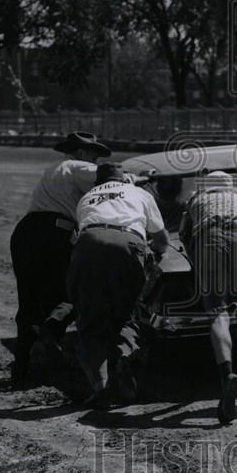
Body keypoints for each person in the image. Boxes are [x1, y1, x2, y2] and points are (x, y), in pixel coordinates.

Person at [8, 131, 110, 385]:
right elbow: (110, 179)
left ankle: (21, 370)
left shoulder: (52, 169)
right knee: (72, 291)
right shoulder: (78, 166)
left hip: (25, 231)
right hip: (56, 232)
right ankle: (52, 331)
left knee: (28, 299)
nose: (95, 160)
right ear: (81, 152)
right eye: (93, 154)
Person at [67, 162, 169, 407]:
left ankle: (100, 385)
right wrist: (151, 256)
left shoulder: (87, 198)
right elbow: (162, 240)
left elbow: (78, 233)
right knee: (127, 313)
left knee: (90, 318)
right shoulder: (139, 193)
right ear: (124, 179)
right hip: (127, 241)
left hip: (88, 244)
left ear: (97, 183)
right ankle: (124, 357)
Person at [179, 171, 237, 425]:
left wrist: (198, 264)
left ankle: (227, 375)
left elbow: (185, 236)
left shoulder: (197, 199)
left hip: (211, 239)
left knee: (218, 311)